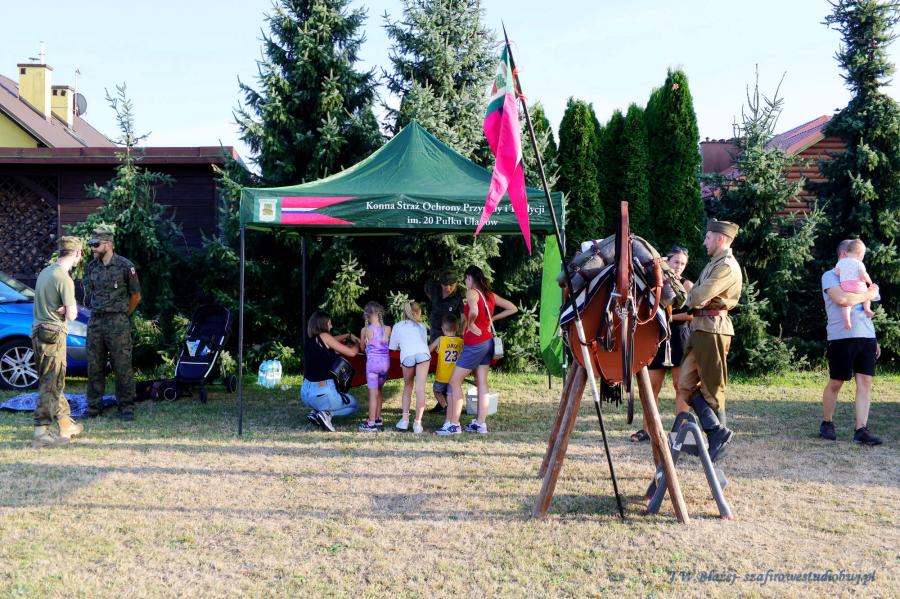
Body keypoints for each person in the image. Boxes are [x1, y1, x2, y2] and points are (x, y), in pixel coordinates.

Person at [673, 220, 742, 461]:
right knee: (684, 384)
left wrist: (688, 292)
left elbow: (699, 296)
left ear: (720, 238)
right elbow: (696, 298)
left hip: (714, 329)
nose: (704, 242)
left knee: (712, 388)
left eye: (708, 237)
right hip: (700, 327)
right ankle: (716, 431)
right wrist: (691, 294)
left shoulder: (727, 266)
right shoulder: (714, 263)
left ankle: (717, 443)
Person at [438, 265, 517, 436]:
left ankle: (454, 424)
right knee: (482, 383)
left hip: (475, 344)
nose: (465, 283)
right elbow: (513, 308)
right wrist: (491, 319)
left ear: (469, 278)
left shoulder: (472, 293)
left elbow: (473, 310)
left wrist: (472, 322)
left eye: (465, 279)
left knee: (454, 382)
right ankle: (480, 424)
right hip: (488, 342)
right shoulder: (490, 295)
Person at [820, 239, 882, 445]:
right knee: (837, 382)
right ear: (843, 254)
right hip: (841, 337)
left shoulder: (861, 276)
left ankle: (861, 430)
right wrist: (868, 293)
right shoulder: (830, 276)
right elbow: (843, 299)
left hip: (867, 337)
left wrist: (874, 339)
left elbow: (868, 303)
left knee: (865, 382)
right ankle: (827, 423)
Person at [631, 246, 694, 442]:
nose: (679, 266)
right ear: (667, 261)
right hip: (658, 337)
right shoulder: (656, 281)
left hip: (679, 338)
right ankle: (648, 430)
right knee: (650, 386)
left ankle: (680, 433)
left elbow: (692, 314)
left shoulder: (687, 284)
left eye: (683, 263)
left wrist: (669, 318)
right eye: (676, 262)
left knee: (680, 386)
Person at [82, 225, 141, 421]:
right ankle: (93, 407)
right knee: (94, 365)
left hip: (117, 322)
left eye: (96, 244)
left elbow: (136, 296)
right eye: (91, 245)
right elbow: (89, 293)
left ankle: (126, 407)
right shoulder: (91, 267)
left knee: (122, 364)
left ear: (108, 244)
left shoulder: (125, 266)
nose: (93, 248)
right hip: (96, 321)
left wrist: (123, 315)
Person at [30, 236, 85, 448]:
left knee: (51, 380)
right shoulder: (64, 278)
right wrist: (68, 309)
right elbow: (72, 314)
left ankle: (65, 424)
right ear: (77, 253)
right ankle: (41, 432)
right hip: (54, 333)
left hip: (38, 331)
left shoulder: (45, 272)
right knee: (51, 383)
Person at [302, 311, 360, 432]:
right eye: (329, 323)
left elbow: (333, 340)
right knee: (354, 405)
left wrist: (347, 335)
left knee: (324, 402)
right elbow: (352, 353)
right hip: (322, 393)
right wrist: (359, 343)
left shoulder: (311, 341)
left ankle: (315, 412)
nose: (331, 326)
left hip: (306, 393)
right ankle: (327, 414)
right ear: (322, 324)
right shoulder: (325, 336)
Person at [388, 301, 431, 434]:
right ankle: (417, 423)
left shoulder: (397, 326)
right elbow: (423, 343)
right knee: (420, 388)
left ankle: (405, 420)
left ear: (404, 312)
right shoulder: (421, 326)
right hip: (423, 354)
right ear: (418, 312)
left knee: (408, 386)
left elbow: (392, 347)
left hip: (407, 356)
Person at [358, 301, 391, 432]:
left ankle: (371, 424)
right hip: (385, 364)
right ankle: (378, 418)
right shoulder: (387, 329)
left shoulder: (364, 330)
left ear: (366, 316)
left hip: (372, 365)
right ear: (380, 313)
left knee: (373, 394)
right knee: (379, 390)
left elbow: (362, 348)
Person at [833, 238, 877, 329]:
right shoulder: (858, 263)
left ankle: (847, 321)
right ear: (860, 254)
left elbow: (837, 273)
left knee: (846, 305)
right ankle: (867, 309)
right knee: (866, 297)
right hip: (858, 286)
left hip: (845, 286)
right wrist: (869, 282)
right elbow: (863, 275)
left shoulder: (841, 263)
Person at [428, 314, 463, 415]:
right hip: (455, 375)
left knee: (436, 391)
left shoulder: (440, 340)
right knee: (452, 393)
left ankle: (445, 406)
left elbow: (428, 350)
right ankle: (454, 409)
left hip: (442, 376)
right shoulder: (461, 341)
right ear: (457, 327)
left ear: (443, 328)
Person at [423, 269, 464, 343]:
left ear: (456, 283)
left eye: (451, 285)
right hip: (435, 327)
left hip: (451, 331)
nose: (448, 289)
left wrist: (461, 331)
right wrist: (432, 299)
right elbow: (426, 289)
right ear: (441, 283)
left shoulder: (461, 293)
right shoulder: (433, 287)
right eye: (445, 285)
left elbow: (464, 316)